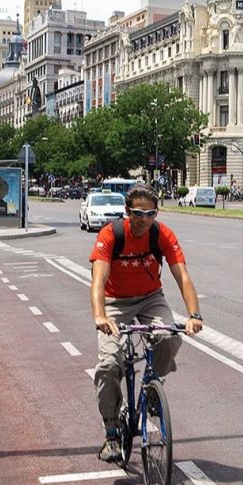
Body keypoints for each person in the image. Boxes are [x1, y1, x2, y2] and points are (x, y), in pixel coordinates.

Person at [90, 184, 203, 463]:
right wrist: (100, 316)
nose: (144, 219)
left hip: (151, 297)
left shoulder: (161, 234)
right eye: (139, 213)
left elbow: (182, 276)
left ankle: (153, 385)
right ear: (128, 212)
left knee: (169, 336)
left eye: (150, 213)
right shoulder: (111, 234)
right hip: (115, 301)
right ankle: (111, 432)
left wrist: (194, 315)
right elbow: (98, 280)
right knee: (108, 365)